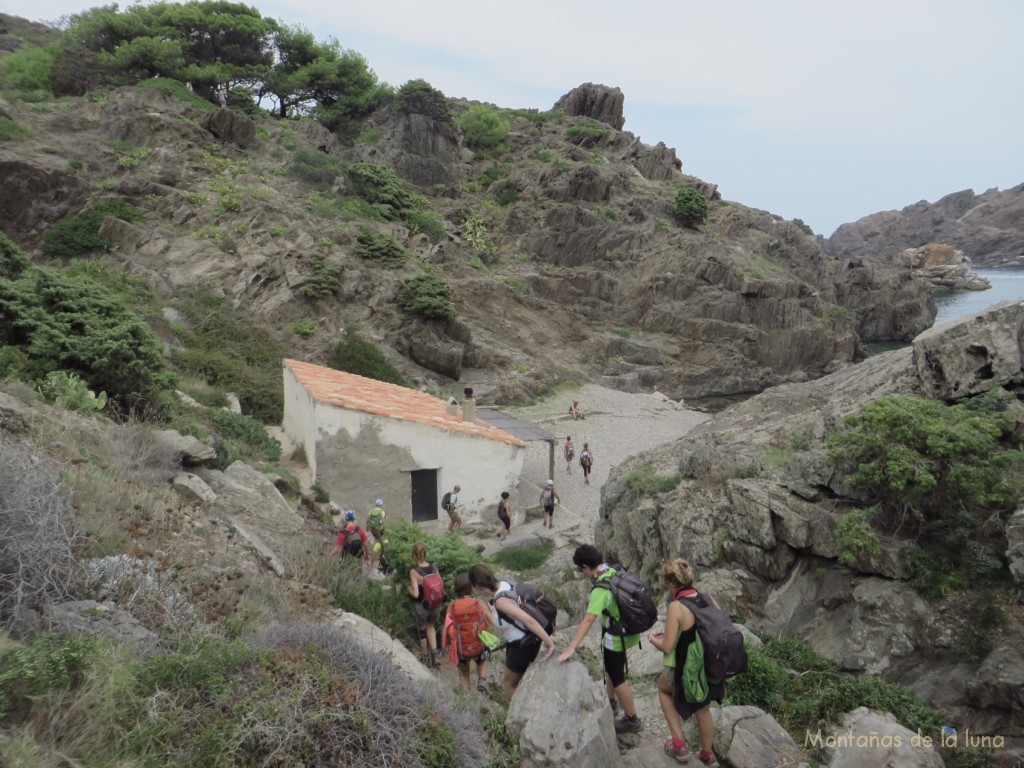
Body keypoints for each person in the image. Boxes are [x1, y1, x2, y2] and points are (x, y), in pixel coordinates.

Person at [558, 544, 643, 734]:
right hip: (629, 632)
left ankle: (632, 720)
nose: (582, 573)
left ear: (586, 567)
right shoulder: (613, 569)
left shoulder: (600, 589)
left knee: (618, 678)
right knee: (612, 670)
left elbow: (589, 619)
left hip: (616, 638)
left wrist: (572, 645)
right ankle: (611, 703)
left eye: (582, 570)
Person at [648, 558, 722, 766]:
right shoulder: (708, 598)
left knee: (662, 688)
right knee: (703, 707)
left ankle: (679, 745)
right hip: (710, 667)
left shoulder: (677, 607)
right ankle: (707, 754)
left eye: (667, 584)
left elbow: (667, 647)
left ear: (671, 583)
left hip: (688, 670)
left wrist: (653, 638)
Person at [469, 563, 555, 701]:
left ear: (478, 586)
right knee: (514, 680)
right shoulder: (504, 583)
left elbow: (529, 621)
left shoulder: (501, 601)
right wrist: (492, 610)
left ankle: (516, 719)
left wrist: (550, 644)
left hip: (522, 645)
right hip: (524, 641)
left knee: (509, 684)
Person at [444, 573, 493, 693]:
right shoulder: (478, 603)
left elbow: (447, 627)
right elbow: (491, 621)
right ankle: (482, 679)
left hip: (461, 649)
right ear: (471, 587)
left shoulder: (452, 606)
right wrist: (490, 611)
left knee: (464, 674)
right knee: (482, 660)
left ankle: (466, 696)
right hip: (479, 646)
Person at [409, 543, 443, 666]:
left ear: (413, 555)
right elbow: (440, 584)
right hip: (435, 604)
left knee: (422, 629)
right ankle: (435, 654)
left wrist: (410, 591)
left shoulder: (414, 572)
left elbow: (416, 594)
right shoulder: (434, 567)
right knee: (431, 626)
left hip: (422, 606)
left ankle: (424, 657)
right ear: (425, 553)